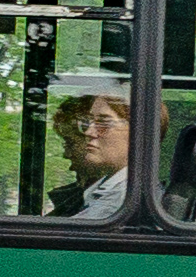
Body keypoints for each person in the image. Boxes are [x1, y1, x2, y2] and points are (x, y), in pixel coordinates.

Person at [46, 89, 132, 221]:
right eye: (88, 123)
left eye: (103, 123)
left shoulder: (124, 199)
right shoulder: (98, 193)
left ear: (137, 131)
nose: (89, 132)